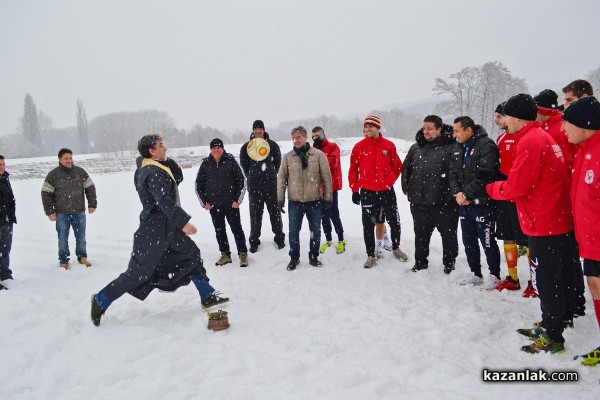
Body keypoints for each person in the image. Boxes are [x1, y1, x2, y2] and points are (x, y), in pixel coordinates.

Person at [90, 135, 228, 326]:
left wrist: (165, 159)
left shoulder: (157, 167)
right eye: (161, 146)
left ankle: (207, 295)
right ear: (151, 152)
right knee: (139, 273)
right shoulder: (151, 172)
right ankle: (100, 300)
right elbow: (164, 201)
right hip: (154, 230)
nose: (165, 148)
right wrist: (183, 223)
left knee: (191, 255)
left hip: (168, 227)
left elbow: (177, 177)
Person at [487, 94, 577, 354]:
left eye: (506, 116)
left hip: (543, 221)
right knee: (552, 279)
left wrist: (490, 188)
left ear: (515, 118)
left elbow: (517, 185)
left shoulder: (530, 141)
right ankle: (550, 323)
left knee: (547, 281)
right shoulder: (543, 136)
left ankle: (553, 336)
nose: (504, 121)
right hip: (552, 218)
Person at [562, 96, 600, 366]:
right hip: (589, 241)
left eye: (567, 124)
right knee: (595, 287)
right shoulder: (585, 149)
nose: (563, 130)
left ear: (584, 124)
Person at [401, 115, 459, 274]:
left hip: (444, 202)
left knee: (448, 234)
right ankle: (420, 262)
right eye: (424, 128)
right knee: (420, 234)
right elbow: (406, 168)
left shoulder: (451, 147)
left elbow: (456, 173)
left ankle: (449, 261)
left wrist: (452, 194)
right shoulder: (415, 147)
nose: (425, 131)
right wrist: (406, 188)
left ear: (439, 129)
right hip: (419, 201)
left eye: (430, 129)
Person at [349, 115, 408, 269]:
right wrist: (355, 190)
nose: (368, 129)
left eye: (371, 126)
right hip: (367, 192)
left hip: (386, 191)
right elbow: (353, 171)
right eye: (366, 127)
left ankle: (396, 248)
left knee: (394, 221)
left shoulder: (388, 146)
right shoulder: (359, 147)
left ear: (378, 127)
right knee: (368, 225)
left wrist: (389, 181)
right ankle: (370, 255)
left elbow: (397, 167)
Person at [451, 116, 501, 289]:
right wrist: (458, 193)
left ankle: (494, 274)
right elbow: (453, 174)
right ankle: (475, 272)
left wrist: (467, 194)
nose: (454, 134)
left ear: (468, 130)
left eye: (457, 130)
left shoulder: (486, 145)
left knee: (487, 241)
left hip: (482, 204)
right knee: (468, 239)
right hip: (464, 205)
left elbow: (486, 175)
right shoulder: (457, 147)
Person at [277, 126, 332, 271]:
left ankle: (313, 256)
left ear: (305, 137)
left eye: (298, 137)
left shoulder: (318, 155)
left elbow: (327, 177)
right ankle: (294, 257)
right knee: (294, 232)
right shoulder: (288, 157)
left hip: (315, 200)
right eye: (294, 138)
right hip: (295, 201)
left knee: (315, 230)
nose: (296, 140)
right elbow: (281, 178)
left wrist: (328, 197)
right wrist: (280, 198)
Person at [493, 103, 533, 295]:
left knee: (527, 240)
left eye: (501, 117)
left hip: (521, 197)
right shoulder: (500, 138)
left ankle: (535, 280)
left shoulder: (525, 139)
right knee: (507, 236)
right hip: (504, 196)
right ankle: (512, 277)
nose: (498, 120)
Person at [196, 138, 249, 267]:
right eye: (213, 148)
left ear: (222, 148)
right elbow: (198, 185)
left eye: (218, 147)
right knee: (219, 231)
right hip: (214, 205)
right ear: (210, 150)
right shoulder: (206, 164)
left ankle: (242, 254)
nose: (216, 150)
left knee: (237, 229)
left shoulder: (231, 161)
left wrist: (237, 200)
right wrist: (204, 202)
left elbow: (241, 181)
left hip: (231, 204)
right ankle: (225, 254)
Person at [41, 148, 97, 269]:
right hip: (62, 213)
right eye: (66, 158)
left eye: (70, 158)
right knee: (62, 239)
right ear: (60, 160)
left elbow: (90, 187)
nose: (69, 161)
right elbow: (46, 193)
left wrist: (92, 204)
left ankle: (82, 257)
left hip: (79, 212)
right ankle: (63, 260)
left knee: (81, 237)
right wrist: (49, 211)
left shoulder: (80, 172)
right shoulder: (53, 175)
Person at [239, 120, 285, 253]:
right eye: (255, 129)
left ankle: (279, 238)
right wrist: (253, 176)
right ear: (252, 130)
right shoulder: (247, 147)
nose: (258, 131)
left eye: (260, 129)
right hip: (254, 188)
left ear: (263, 130)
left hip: (271, 186)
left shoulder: (272, 145)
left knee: (275, 213)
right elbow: (244, 166)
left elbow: (277, 163)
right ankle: (254, 241)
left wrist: (270, 174)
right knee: (255, 216)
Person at [311, 126, 345, 254]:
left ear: (323, 134)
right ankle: (328, 239)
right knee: (323, 215)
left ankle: (341, 239)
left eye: (317, 135)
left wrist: (319, 156)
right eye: (313, 136)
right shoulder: (313, 149)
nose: (315, 138)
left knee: (333, 213)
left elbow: (332, 162)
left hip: (331, 185)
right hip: (319, 187)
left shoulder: (333, 146)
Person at [534, 89, 577, 168]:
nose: (532, 113)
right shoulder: (546, 126)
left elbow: (564, 163)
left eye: (534, 110)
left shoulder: (559, 130)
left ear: (542, 111)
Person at [0, 155, 16, 290]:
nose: (2, 167)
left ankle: (4, 273)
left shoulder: (5, 178)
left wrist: (11, 215)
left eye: (3, 164)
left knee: (5, 250)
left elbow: (10, 199)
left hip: (7, 221)